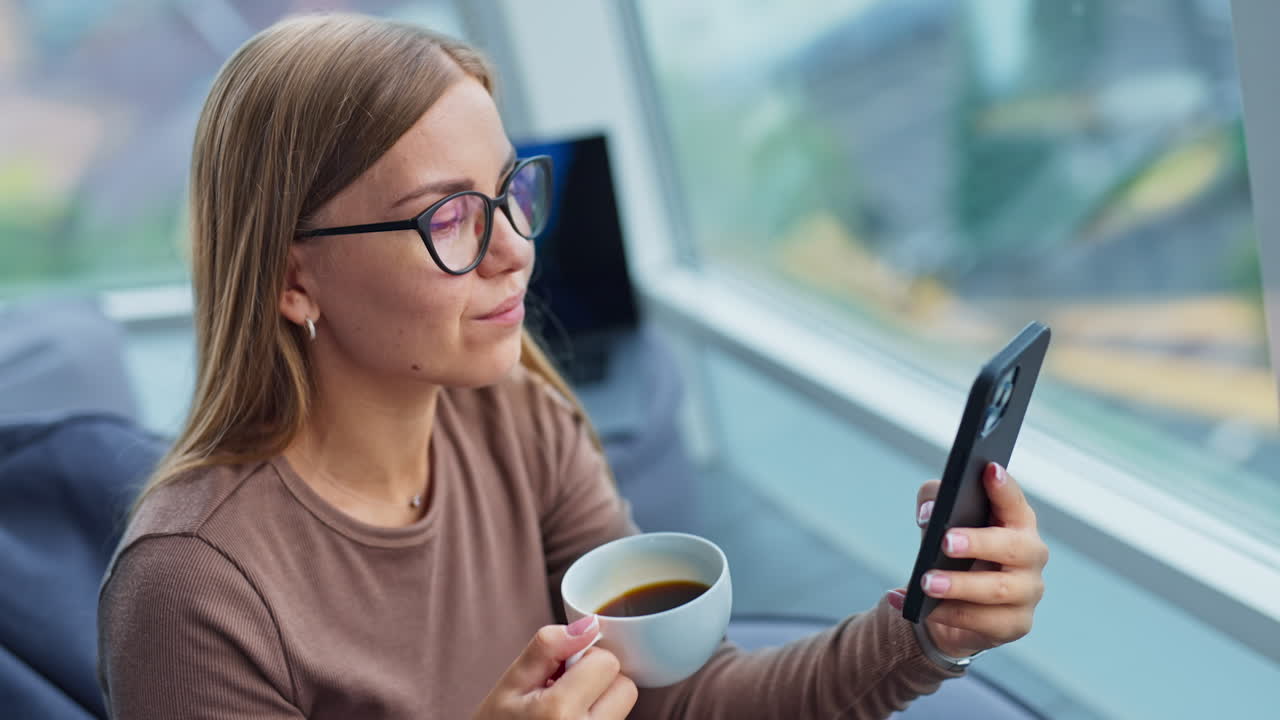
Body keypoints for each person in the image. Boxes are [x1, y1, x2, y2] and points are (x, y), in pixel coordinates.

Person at [97, 13, 1049, 719]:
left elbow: (683, 697)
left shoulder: (515, 413)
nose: (515, 248)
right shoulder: (191, 594)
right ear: (292, 279)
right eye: (448, 218)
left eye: (510, 191)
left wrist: (925, 632)